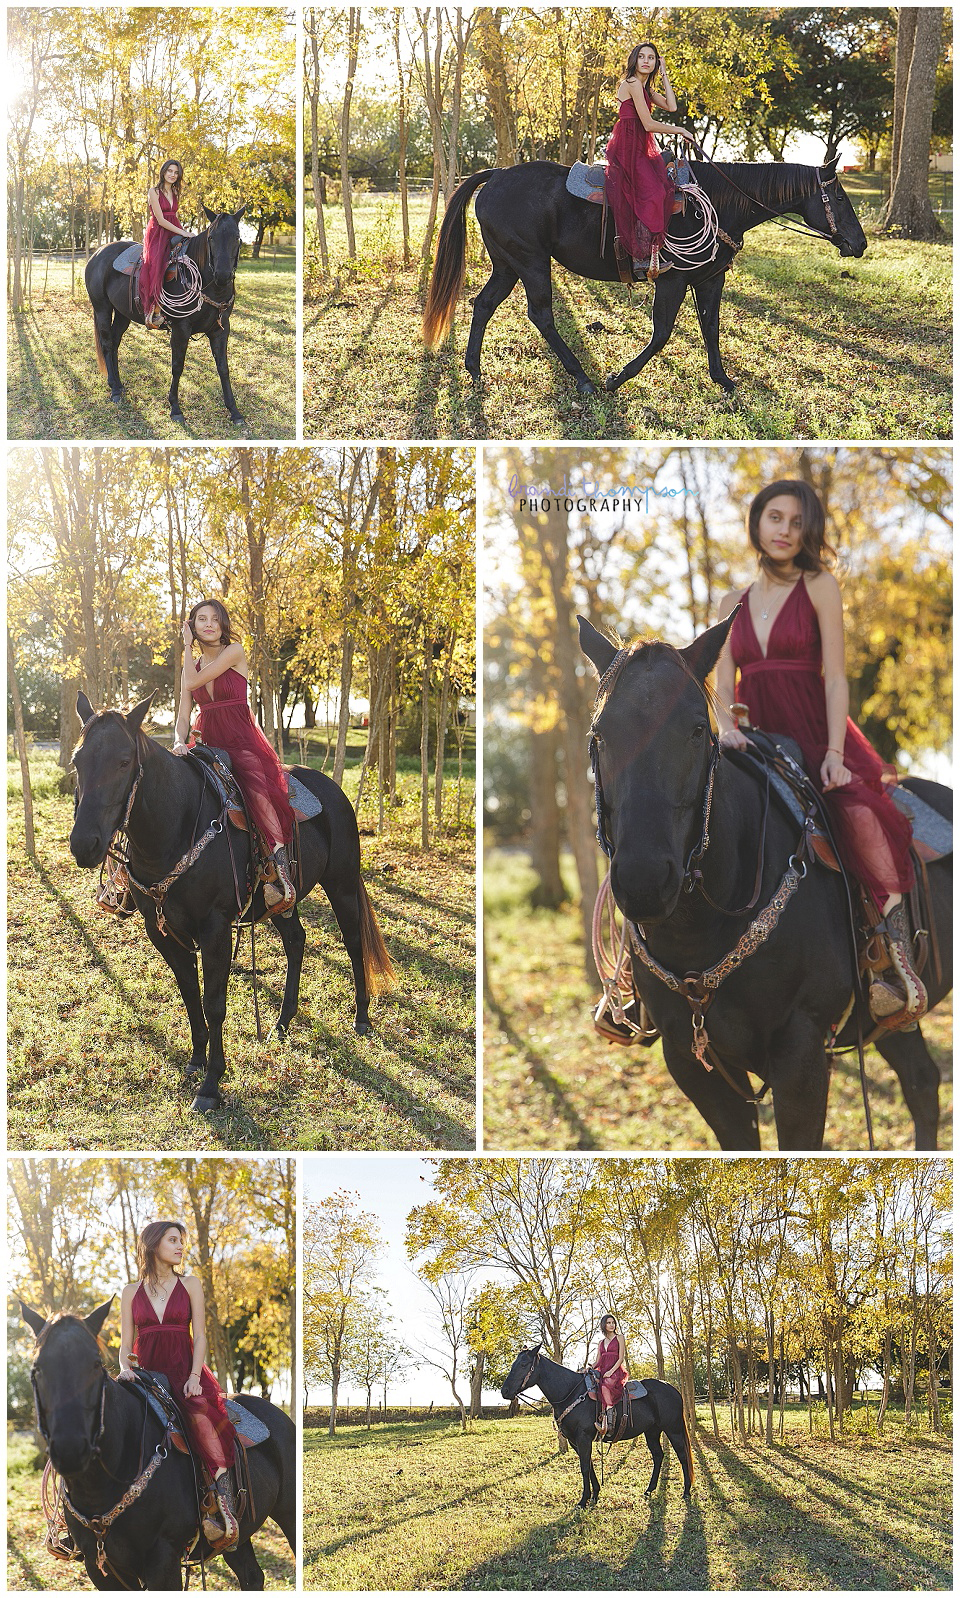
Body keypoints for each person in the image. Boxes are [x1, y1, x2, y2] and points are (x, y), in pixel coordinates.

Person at [715, 479, 925, 1027]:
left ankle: (894, 960)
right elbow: (722, 681)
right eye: (775, 517)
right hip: (755, 740)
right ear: (757, 522)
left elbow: (835, 677)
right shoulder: (730, 603)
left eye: (797, 521)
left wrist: (834, 751)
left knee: (861, 817)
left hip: (813, 732)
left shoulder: (819, 586)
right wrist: (726, 727)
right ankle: (642, 977)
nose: (785, 530)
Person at [119, 1221, 239, 1550]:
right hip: (146, 1375)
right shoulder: (130, 1292)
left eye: (181, 1241)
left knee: (202, 1419)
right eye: (172, 1240)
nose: (180, 1246)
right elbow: (126, 1344)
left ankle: (222, 1506)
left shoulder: (190, 1284)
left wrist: (195, 1377)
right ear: (153, 1244)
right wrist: (125, 1368)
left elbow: (199, 1337)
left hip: (185, 1373)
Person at [173, 599, 297, 913]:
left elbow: (193, 682)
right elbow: (184, 715)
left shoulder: (234, 651)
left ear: (223, 624)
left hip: (240, 739)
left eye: (215, 619)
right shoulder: (191, 666)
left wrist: (186, 646)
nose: (209, 624)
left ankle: (279, 870)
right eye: (202, 619)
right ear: (192, 625)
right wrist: (178, 740)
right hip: (207, 741)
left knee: (257, 789)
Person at [604, 43, 693, 281]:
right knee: (653, 192)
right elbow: (648, 124)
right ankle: (641, 256)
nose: (646, 61)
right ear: (634, 60)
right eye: (642, 56)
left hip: (640, 147)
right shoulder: (632, 83)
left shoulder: (645, 88)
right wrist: (680, 130)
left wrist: (664, 74)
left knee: (664, 186)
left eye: (651, 58)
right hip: (628, 147)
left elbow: (672, 106)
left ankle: (653, 252)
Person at [140, 159, 192, 330]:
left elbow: (172, 216)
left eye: (176, 172)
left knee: (187, 258)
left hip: (174, 227)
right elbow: (161, 220)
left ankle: (183, 301)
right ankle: (154, 309)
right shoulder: (153, 192)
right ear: (163, 172)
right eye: (170, 171)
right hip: (158, 232)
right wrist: (183, 232)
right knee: (158, 264)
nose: (172, 175)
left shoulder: (175, 192)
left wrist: (183, 232)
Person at [593, 1313, 629, 1437]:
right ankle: (598, 1418)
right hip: (603, 1371)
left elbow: (620, 1358)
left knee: (605, 1386)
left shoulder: (619, 1338)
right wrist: (589, 1368)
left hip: (615, 1371)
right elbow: (597, 1361)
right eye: (608, 1323)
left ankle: (610, 1424)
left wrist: (611, 1372)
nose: (611, 1325)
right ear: (604, 1325)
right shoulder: (601, 1343)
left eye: (613, 1322)